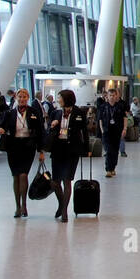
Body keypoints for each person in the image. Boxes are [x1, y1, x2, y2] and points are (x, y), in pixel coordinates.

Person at [0, 88, 45, 217]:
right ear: (16, 99)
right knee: (15, 176)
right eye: (20, 97)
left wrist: (41, 150)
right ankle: (17, 206)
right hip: (13, 147)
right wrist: (0, 129)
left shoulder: (33, 112)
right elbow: (0, 124)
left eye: (24, 97)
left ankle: (24, 205)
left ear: (28, 98)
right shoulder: (9, 113)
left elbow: (40, 131)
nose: (22, 99)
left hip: (28, 147)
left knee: (23, 175)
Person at [46, 89, 87, 221]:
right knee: (55, 181)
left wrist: (86, 148)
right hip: (58, 149)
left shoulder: (78, 113)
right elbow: (49, 131)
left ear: (67, 99)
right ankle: (61, 204)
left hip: (72, 150)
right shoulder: (55, 113)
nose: (58, 100)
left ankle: (64, 211)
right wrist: (52, 126)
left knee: (67, 180)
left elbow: (84, 131)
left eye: (60, 98)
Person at [98, 88, 127, 178]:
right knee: (108, 150)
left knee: (115, 150)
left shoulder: (120, 106)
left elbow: (125, 118)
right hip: (106, 131)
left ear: (116, 96)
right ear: (107, 96)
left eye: (113, 95)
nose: (112, 97)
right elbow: (100, 119)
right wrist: (102, 130)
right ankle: (108, 169)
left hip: (117, 131)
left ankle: (113, 167)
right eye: (110, 95)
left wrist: (124, 129)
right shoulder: (103, 107)